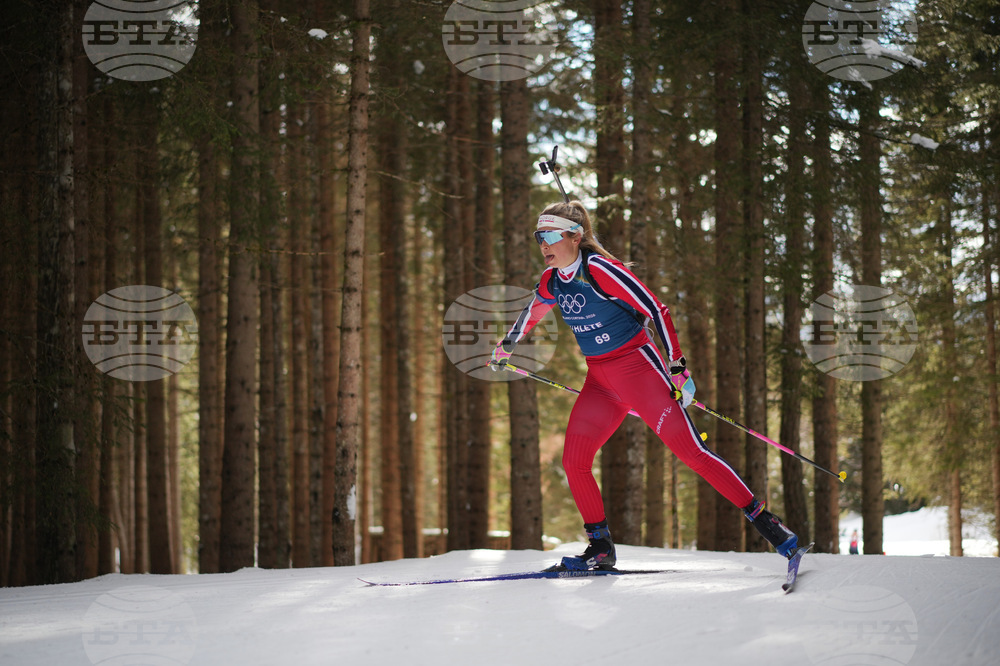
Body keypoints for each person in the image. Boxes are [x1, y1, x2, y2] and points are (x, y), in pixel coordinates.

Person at [492, 200, 798, 571]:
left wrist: (678, 367)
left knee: (692, 454)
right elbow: (533, 311)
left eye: (551, 235)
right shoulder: (552, 280)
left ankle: (773, 528)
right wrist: (507, 344)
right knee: (575, 461)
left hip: (641, 370)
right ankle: (601, 548)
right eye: (539, 237)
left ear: (574, 236)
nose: (544, 244)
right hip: (600, 381)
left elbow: (656, 308)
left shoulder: (601, 269)